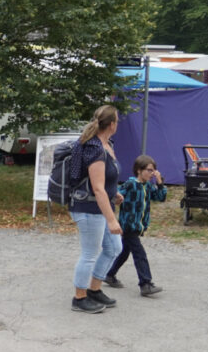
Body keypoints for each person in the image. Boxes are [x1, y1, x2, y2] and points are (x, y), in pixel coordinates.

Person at [68, 105, 124, 313]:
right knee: (90, 253)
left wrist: (114, 193)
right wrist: (111, 220)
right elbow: (97, 188)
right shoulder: (94, 148)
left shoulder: (106, 144)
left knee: (114, 248)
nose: (117, 124)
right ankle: (79, 298)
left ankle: (94, 289)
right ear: (111, 124)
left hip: (101, 204)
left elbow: (106, 180)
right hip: (88, 207)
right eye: (117, 120)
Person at [106, 155, 166, 296]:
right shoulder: (131, 184)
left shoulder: (148, 186)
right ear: (139, 170)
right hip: (128, 225)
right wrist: (117, 199)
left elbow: (160, 197)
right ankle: (145, 284)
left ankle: (109, 274)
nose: (152, 173)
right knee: (140, 254)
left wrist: (160, 183)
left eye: (154, 170)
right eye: (149, 170)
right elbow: (116, 195)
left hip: (138, 226)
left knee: (124, 252)